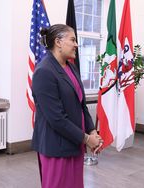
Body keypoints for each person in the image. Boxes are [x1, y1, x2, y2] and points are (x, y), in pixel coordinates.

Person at [31, 24, 103, 188]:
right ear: (58, 42)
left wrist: (92, 132)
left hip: (74, 144)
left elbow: (81, 104)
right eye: (73, 40)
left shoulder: (71, 67)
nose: (76, 44)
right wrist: (87, 139)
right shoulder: (44, 71)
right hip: (56, 148)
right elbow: (56, 119)